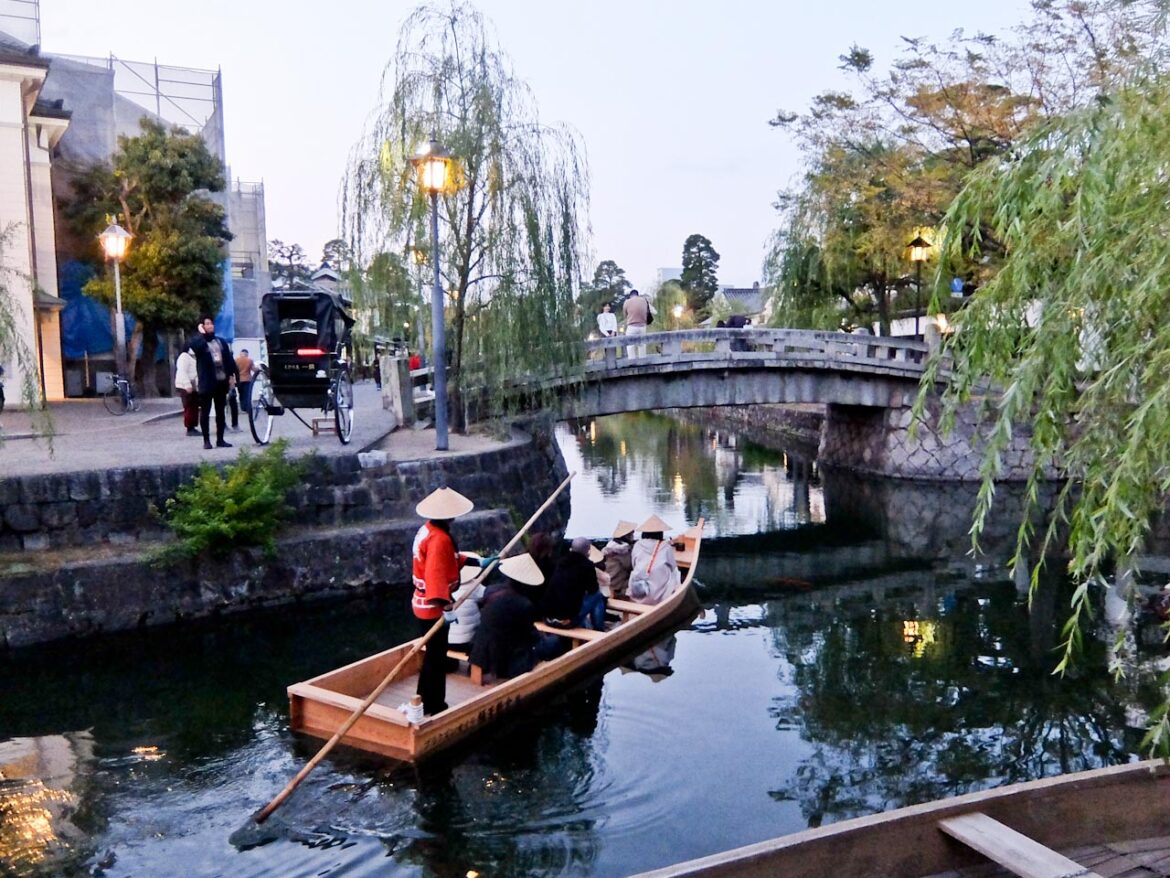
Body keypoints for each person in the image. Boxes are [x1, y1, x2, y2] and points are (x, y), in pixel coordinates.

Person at [411, 486, 485, 715]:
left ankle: (424, 699)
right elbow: (435, 577)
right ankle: (434, 704)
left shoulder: (429, 530)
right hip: (432, 606)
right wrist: (444, 608)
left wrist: (476, 563)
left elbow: (451, 558)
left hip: (422, 602)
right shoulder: (439, 539)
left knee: (434, 656)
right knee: (436, 657)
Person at [469, 553, 560, 681]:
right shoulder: (523, 604)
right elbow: (529, 635)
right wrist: (540, 637)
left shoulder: (490, 591)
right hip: (510, 653)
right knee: (555, 641)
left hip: (487, 646)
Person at [189, 315, 240, 450]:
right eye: (207, 324)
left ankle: (220, 439)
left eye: (211, 323)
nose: (210, 326)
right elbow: (195, 347)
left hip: (221, 382)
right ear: (202, 326)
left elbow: (229, 360)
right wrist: (201, 334)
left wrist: (233, 375)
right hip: (207, 383)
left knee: (220, 412)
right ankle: (206, 440)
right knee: (205, 412)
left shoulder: (221, 342)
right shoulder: (199, 342)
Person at [541, 537, 607, 631]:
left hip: (548, 618)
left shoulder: (560, 562)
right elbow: (593, 589)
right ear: (588, 551)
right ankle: (599, 628)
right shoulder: (587, 565)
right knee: (597, 595)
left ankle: (588, 625)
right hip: (567, 621)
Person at [629, 514, 681, 606]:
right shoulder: (665, 546)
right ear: (660, 533)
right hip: (658, 590)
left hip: (637, 588)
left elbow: (633, 563)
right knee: (674, 573)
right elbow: (673, 566)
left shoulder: (637, 544)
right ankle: (667, 597)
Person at [602, 520, 637, 598]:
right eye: (632, 533)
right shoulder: (623, 550)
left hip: (608, 583)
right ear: (627, 536)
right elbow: (631, 565)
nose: (633, 535)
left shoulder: (609, 546)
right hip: (618, 585)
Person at [174, 348, 200, 436]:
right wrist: (187, 384)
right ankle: (189, 427)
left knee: (194, 407)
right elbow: (182, 371)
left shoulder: (194, 357)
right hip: (187, 385)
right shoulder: (184, 357)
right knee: (189, 406)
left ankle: (193, 425)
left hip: (193, 384)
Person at [622, 289, 650, 358]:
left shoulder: (627, 302)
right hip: (643, 326)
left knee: (630, 345)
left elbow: (625, 315)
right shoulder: (644, 301)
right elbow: (647, 312)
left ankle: (632, 361)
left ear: (630, 295)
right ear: (638, 294)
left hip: (632, 326)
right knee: (642, 344)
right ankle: (642, 360)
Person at [235, 348, 257, 415]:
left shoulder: (236, 360)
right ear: (247, 354)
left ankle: (242, 408)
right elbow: (254, 369)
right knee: (247, 394)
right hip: (247, 379)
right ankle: (247, 408)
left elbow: (233, 370)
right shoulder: (249, 360)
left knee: (241, 394)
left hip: (239, 380)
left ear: (241, 353)